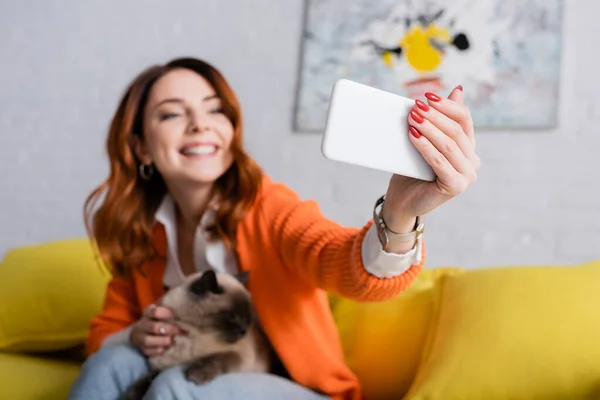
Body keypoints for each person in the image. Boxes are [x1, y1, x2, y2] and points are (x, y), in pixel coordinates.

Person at [67, 57, 480, 400]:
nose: (200, 124)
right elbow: (105, 331)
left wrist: (399, 213)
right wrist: (138, 333)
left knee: (177, 387)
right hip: (204, 374)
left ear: (231, 128)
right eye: (173, 113)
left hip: (298, 389)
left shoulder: (268, 207)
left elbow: (337, 258)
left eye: (215, 109)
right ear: (140, 146)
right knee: (113, 360)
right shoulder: (144, 232)